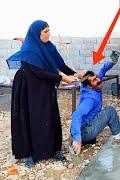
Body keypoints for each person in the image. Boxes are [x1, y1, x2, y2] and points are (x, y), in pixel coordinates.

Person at [10, 20, 79, 167]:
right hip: (29, 88)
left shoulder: (49, 47)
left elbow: (60, 64)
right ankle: (31, 154)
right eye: (46, 31)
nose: (49, 34)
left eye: (49, 30)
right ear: (37, 33)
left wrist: (75, 74)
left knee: (51, 115)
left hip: (46, 86)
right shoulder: (29, 50)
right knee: (33, 118)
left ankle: (55, 149)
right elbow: (38, 72)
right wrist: (62, 78)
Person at [70, 52, 120, 155]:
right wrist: (77, 139)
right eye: (94, 80)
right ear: (89, 86)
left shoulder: (92, 84)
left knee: (102, 111)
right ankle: (117, 140)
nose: (98, 80)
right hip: (85, 131)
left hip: (85, 128)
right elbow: (76, 115)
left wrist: (111, 62)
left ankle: (85, 139)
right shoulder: (90, 99)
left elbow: (102, 70)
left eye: (97, 77)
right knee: (110, 111)